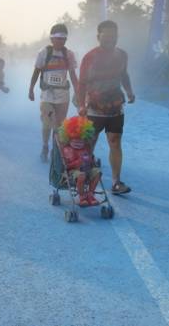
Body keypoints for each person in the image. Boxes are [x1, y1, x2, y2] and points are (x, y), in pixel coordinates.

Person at [77, 20, 135, 195]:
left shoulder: (122, 55)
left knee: (115, 142)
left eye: (113, 34)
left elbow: (124, 75)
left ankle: (116, 182)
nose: (110, 38)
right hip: (94, 108)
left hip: (116, 106)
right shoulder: (90, 57)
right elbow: (82, 83)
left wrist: (130, 91)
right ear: (98, 36)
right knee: (90, 143)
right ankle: (85, 177)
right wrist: (81, 105)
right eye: (106, 34)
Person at [29, 23, 79, 163]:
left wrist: (78, 92)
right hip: (47, 95)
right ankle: (45, 146)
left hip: (63, 96)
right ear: (51, 38)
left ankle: (55, 150)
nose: (60, 41)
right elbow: (36, 71)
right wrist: (31, 89)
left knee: (59, 126)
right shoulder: (44, 52)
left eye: (63, 38)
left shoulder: (69, 54)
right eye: (57, 38)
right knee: (47, 124)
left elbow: (73, 75)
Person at [58, 116, 102, 206]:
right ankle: (82, 197)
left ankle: (90, 194)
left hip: (87, 168)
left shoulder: (86, 147)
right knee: (81, 175)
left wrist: (92, 161)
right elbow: (66, 166)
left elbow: (89, 158)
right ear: (69, 137)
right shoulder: (67, 149)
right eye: (75, 139)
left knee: (98, 173)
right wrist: (77, 163)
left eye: (80, 139)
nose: (78, 141)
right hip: (73, 172)